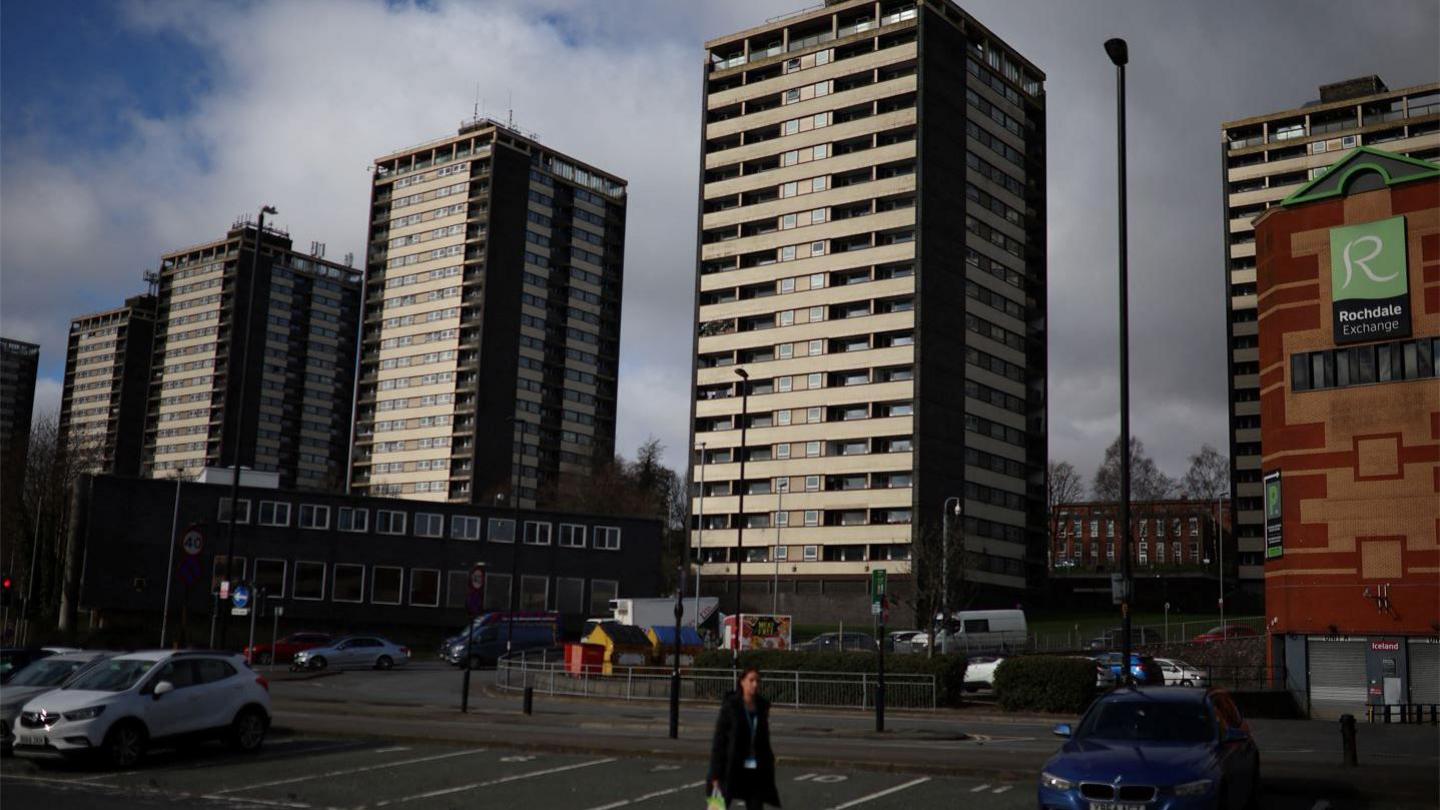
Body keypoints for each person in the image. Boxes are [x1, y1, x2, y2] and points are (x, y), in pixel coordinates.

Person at [706, 666, 781, 808]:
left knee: (755, 803)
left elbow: (764, 738)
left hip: (755, 767)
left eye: (757, 681)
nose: (755, 684)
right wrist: (715, 773)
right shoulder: (731, 706)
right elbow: (719, 740)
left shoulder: (761, 707)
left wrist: (769, 759)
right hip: (732, 764)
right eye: (751, 680)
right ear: (742, 681)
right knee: (720, 804)